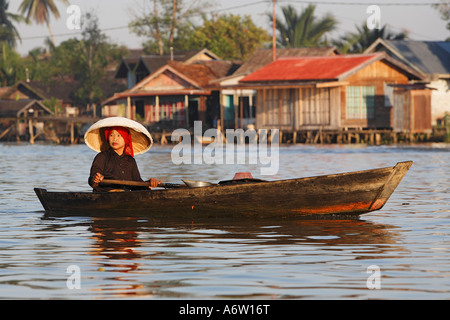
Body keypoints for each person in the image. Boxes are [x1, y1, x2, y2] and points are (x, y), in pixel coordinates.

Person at [88, 126, 160, 192]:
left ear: (125, 139)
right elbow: (92, 181)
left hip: (126, 197)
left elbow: (137, 184)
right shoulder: (102, 157)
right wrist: (96, 179)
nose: (115, 139)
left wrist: (148, 183)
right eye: (111, 135)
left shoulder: (130, 161)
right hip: (105, 197)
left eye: (119, 135)